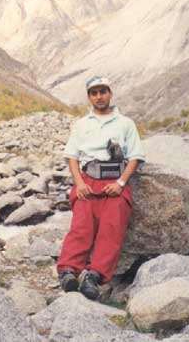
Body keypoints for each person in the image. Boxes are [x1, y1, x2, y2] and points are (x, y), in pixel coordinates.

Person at [56, 75, 145, 300]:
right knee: (81, 227)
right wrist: (79, 183)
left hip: (115, 183)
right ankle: (68, 272)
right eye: (94, 93)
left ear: (110, 93)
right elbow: (72, 157)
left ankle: (94, 276)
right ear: (89, 97)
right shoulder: (81, 124)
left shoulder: (126, 123)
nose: (99, 97)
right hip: (88, 181)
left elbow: (135, 157)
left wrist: (121, 183)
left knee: (111, 229)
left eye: (103, 91)